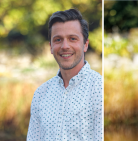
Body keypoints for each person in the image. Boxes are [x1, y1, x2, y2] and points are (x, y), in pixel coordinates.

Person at [27, 9, 102, 141]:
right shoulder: (41, 94)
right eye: (58, 40)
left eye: (72, 39)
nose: (65, 46)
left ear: (85, 44)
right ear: (50, 46)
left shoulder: (100, 89)